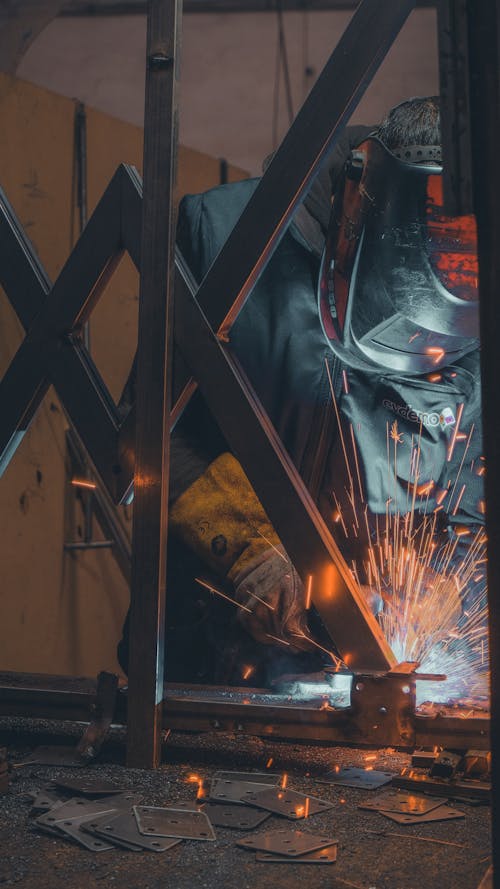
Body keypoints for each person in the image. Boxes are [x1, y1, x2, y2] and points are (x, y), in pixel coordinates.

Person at [118, 97, 484, 689]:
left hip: (361, 677)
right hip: (204, 663)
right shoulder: (223, 241)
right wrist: (247, 543)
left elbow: (471, 502)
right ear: (358, 208)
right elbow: (144, 429)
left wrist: (446, 585)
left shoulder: (470, 296)